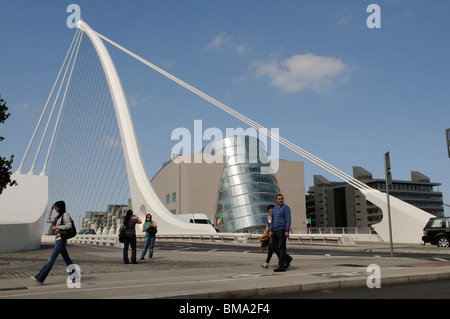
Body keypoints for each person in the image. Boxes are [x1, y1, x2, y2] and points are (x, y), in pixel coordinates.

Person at [31, 201, 75, 284]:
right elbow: (47, 220)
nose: (55, 208)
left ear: (60, 207)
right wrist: (50, 211)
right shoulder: (58, 217)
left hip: (61, 240)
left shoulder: (65, 215)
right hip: (58, 240)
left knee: (51, 260)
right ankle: (74, 275)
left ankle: (40, 278)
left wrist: (57, 227)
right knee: (67, 260)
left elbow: (69, 225)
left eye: (56, 207)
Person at [269, 194, 293, 272]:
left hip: (282, 230)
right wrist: (270, 230)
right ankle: (287, 258)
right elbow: (272, 220)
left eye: (281, 199)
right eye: (279, 199)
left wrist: (287, 230)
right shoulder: (275, 208)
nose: (280, 200)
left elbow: (288, 220)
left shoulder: (286, 208)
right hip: (275, 231)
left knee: (281, 249)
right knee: (273, 247)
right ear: (276, 200)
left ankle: (281, 267)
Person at [261, 204, 274, 268]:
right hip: (269, 235)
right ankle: (267, 262)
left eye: (272, 208)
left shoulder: (276, 216)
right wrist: (265, 233)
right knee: (272, 249)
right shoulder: (269, 217)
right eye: (269, 209)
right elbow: (267, 225)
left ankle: (267, 262)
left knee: (272, 248)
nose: (271, 210)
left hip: (274, 234)